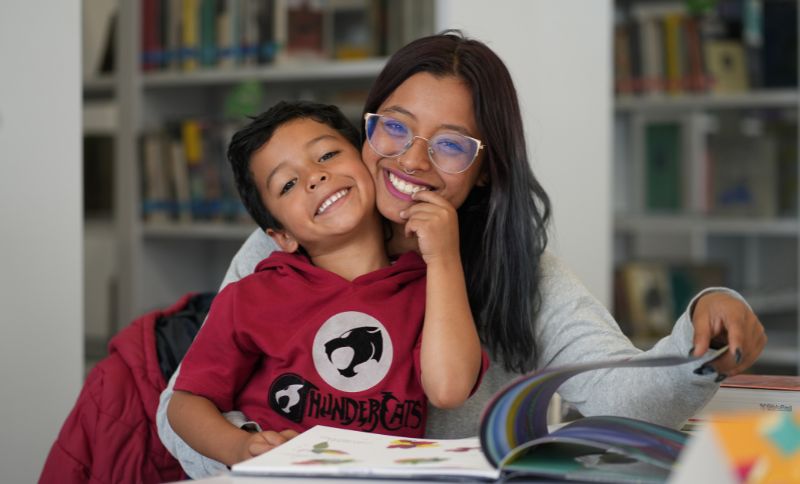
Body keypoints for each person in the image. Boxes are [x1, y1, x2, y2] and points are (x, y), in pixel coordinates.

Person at [158, 31, 766, 477]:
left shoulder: (513, 270)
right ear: (364, 131)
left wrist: (705, 331)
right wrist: (262, 457)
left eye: (451, 144)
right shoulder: (283, 247)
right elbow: (180, 413)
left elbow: (621, 397)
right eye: (394, 127)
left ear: (484, 171)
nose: (413, 161)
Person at [166, 100, 484, 467]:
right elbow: (185, 403)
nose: (314, 177)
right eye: (287, 184)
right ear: (282, 236)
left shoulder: (429, 289)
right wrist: (238, 448)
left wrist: (444, 258)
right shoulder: (252, 297)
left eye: (327, 154)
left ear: (367, 162)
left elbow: (449, 389)